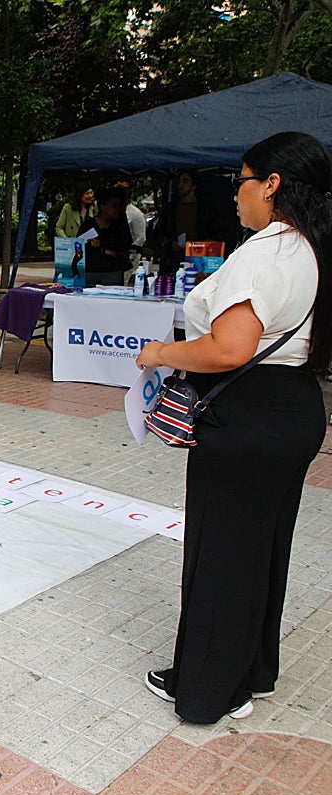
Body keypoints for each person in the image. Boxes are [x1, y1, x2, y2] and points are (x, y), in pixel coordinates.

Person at [135, 131, 332, 724]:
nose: (237, 195)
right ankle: (251, 670)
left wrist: (161, 355)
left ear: (272, 185)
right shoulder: (314, 247)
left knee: (220, 553)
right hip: (294, 409)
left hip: (247, 417)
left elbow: (229, 349)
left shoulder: (264, 254)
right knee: (262, 548)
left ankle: (208, 689)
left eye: (242, 180)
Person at [146, 171, 224, 276]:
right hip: (173, 262)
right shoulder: (170, 209)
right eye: (179, 182)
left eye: (185, 181)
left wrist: (203, 244)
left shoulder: (206, 210)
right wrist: (170, 244)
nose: (180, 185)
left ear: (194, 186)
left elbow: (217, 234)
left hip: (199, 261)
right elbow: (159, 234)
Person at [76, 187, 133, 287]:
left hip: (113, 272)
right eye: (113, 206)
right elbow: (78, 247)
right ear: (103, 207)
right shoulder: (88, 225)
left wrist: (103, 245)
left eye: (119, 206)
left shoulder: (119, 227)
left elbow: (125, 245)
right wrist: (103, 250)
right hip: (91, 272)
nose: (117, 209)